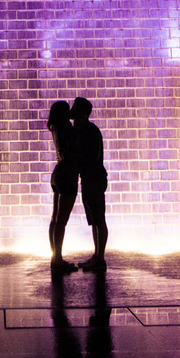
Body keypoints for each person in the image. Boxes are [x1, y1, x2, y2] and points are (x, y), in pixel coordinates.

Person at [70, 96, 108, 272]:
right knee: (94, 220)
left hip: (94, 179)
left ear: (84, 113)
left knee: (99, 219)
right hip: (89, 180)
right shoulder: (85, 130)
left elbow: (89, 157)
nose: (73, 112)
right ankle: (97, 256)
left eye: (76, 109)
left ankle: (100, 258)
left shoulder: (90, 131)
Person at [47, 100, 79, 273]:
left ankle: (55, 258)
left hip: (58, 172)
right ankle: (58, 260)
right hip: (67, 173)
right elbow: (76, 149)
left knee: (55, 219)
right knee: (62, 221)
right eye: (68, 110)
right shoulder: (67, 128)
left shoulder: (55, 127)